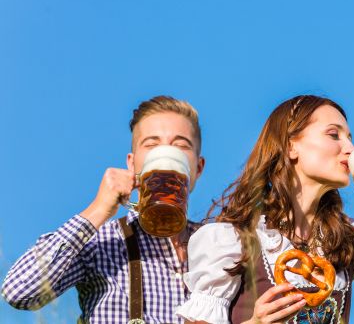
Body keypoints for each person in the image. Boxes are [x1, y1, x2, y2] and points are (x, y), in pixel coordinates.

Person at [177, 95, 354, 324]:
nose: (351, 149)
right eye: (334, 135)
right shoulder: (231, 240)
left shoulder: (351, 240)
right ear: (291, 145)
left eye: (350, 138)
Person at [2, 96, 206, 323]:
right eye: (151, 144)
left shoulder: (221, 245)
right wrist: (98, 209)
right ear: (132, 163)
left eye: (180, 145)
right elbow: (18, 293)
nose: (166, 154)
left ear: (197, 167)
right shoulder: (101, 241)